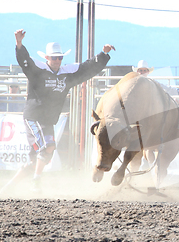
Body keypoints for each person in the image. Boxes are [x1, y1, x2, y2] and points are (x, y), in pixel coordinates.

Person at [11, 29, 114, 192]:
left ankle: (8, 187)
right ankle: (36, 181)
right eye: (54, 57)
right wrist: (19, 43)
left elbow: (87, 68)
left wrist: (103, 54)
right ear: (47, 58)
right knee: (48, 146)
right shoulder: (37, 70)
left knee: (40, 157)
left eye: (60, 57)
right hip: (33, 117)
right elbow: (24, 60)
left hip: (48, 120)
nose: (57, 60)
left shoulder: (67, 74)